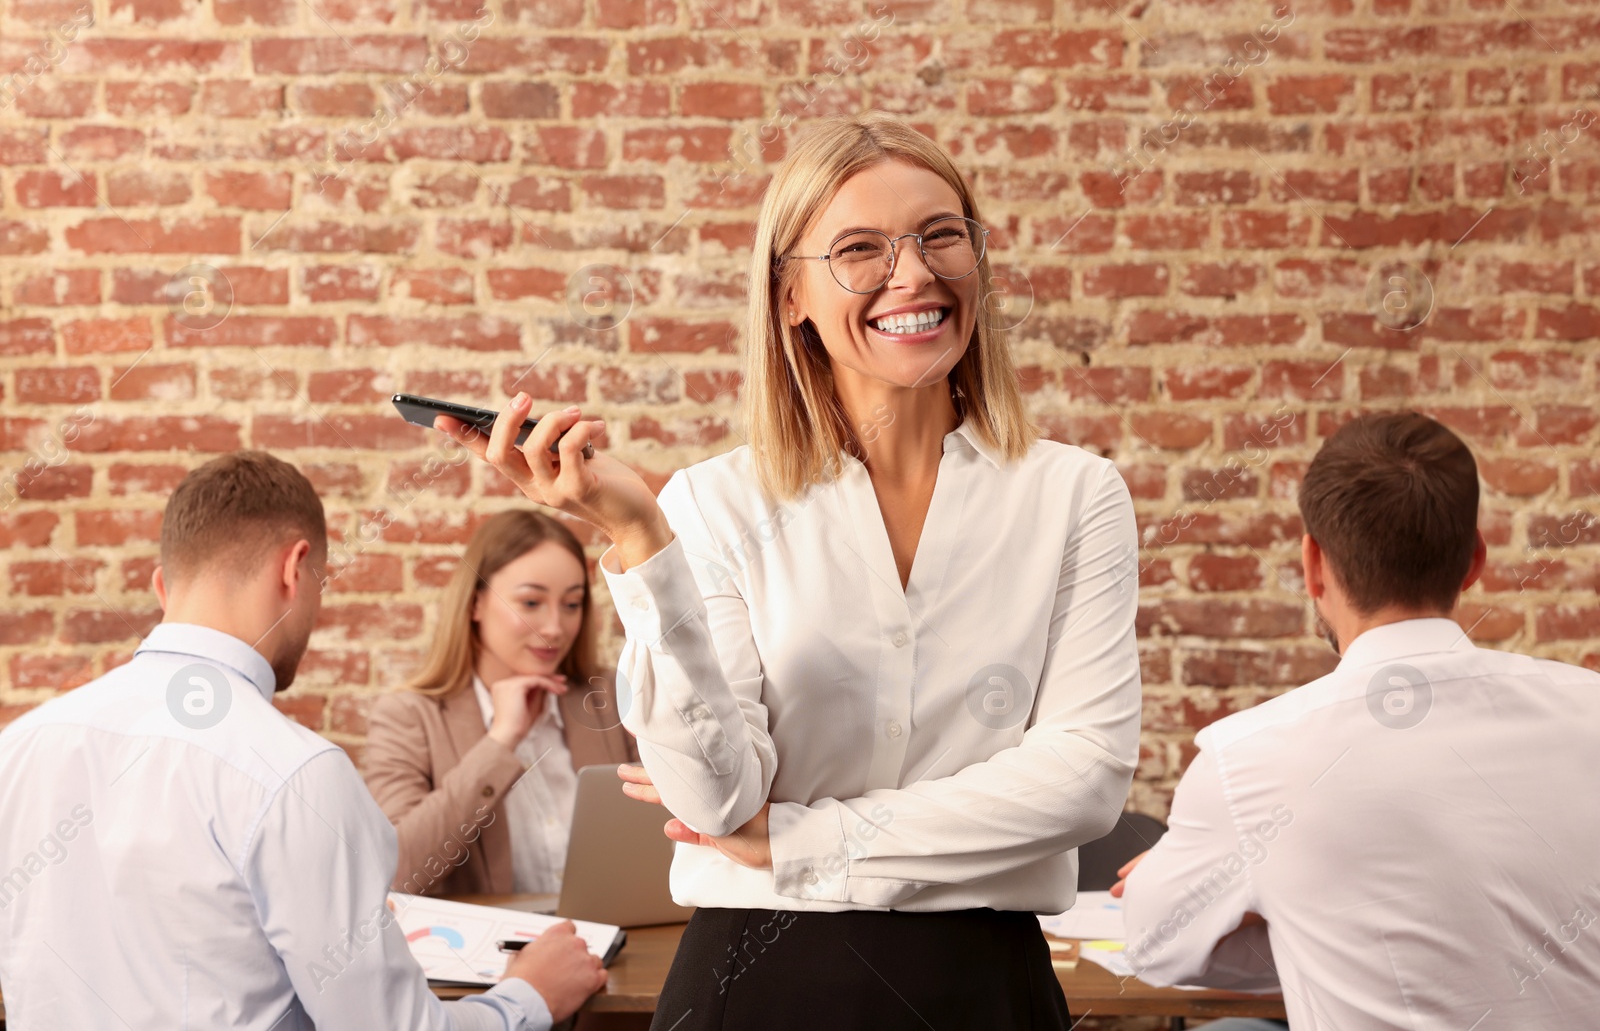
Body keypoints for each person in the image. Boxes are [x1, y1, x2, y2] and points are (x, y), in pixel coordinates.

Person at [438, 112, 1142, 1030]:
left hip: (988, 988)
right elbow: (715, 796)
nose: (915, 274)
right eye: (860, 250)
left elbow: (1083, 780)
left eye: (941, 236)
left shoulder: (1075, 496)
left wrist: (804, 836)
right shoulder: (710, 503)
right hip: (758, 983)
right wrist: (642, 539)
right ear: (789, 300)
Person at [0, 451, 606, 1030]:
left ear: (164, 587)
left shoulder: (21, 746)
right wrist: (527, 998)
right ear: (294, 569)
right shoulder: (295, 773)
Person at [1116, 412, 1600, 1028]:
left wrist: (1285, 908)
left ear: (1313, 565)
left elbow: (1154, 947)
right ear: (1474, 560)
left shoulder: (1249, 761)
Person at [365, 509, 633, 898]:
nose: (556, 627)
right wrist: (500, 741)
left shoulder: (606, 697)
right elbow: (398, 873)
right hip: (484, 953)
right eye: (530, 603)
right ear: (475, 604)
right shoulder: (408, 717)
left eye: (572, 604)